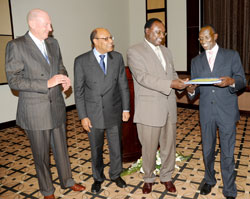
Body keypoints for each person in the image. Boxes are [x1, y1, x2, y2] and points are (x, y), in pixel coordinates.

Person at [5, 9, 85, 199]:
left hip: (56, 106)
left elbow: (60, 66)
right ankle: (47, 190)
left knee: (62, 150)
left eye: (50, 24)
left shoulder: (53, 43)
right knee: (41, 156)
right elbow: (14, 80)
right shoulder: (16, 46)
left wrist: (64, 78)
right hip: (35, 110)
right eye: (46, 25)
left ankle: (68, 181)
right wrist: (46, 83)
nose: (50, 28)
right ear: (32, 24)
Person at [127, 18, 188, 194]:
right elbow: (143, 77)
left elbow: (172, 73)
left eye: (163, 32)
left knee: (169, 146)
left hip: (169, 106)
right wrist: (171, 84)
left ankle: (166, 177)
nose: (161, 36)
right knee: (149, 147)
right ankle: (148, 178)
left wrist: (184, 84)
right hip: (149, 108)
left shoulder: (167, 52)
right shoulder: (134, 51)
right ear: (147, 31)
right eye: (157, 32)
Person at [187, 25, 246, 199]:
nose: (203, 41)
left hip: (227, 111)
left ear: (216, 36)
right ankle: (209, 179)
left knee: (227, 152)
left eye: (206, 37)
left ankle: (229, 188)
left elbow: (242, 80)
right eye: (200, 38)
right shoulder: (196, 61)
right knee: (207, 150)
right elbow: (195, 90)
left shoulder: (231, 55)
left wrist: (231, 82)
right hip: (206, 112)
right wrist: (191, 89)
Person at [74, 28, 130, 193]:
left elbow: (123, 85)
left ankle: (115, 174)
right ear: (95, 41)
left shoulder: (117, 57)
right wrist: (83, 116)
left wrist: (126, 108)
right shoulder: (82, 61)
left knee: (116, 146)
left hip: (114, 109)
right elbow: (79, 91)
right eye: (106, 38)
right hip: (93, 113)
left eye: (111, 37)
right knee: (96, 148)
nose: (111, 41)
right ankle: (98, 178)